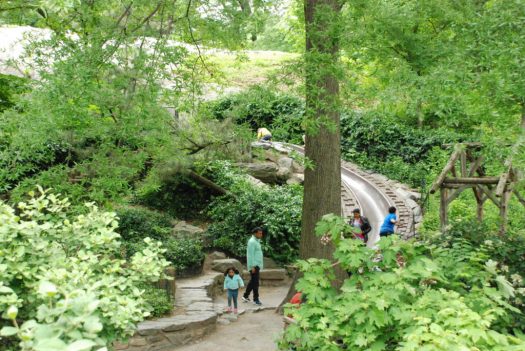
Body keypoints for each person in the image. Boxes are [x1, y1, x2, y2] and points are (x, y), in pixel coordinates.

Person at [242, 227, 264, 306]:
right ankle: (256, 299)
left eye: (261, 233)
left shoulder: (257, 241)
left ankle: (245, 296)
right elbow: (250, 255)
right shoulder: (252, 242)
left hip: (257, 265)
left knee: (253, 281)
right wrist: (252, 266)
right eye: (259, 233)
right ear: (255, 233)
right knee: (256, 283)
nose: (261, 235)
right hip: (254, 265)